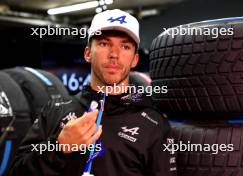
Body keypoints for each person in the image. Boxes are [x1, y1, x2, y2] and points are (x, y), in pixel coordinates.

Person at [10, 9, 176, 176]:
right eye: (104, 44)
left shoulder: (153, 124)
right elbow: (17, 172)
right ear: (88, 53)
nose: (114, 55)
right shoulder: (55, 110)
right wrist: (58, 148)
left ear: (134, 59)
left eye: (125, 46)